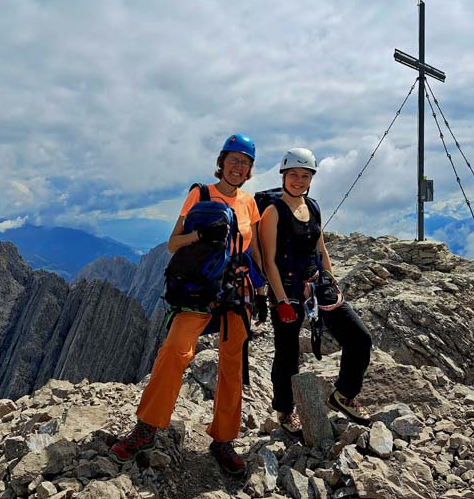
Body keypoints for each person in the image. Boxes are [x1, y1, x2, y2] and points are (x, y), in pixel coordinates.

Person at [109, 134, 262, 476]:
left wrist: (262, 288)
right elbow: (172, 244)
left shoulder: (250, 204)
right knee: (175, 350)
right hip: (200, 289)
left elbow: (253, 251)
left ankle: (223, 440)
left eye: (245, 162)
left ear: (250, 169)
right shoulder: (201, 194)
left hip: (236, 292)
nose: (238, 167)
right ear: (222, 162)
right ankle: (146, 428)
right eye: (233, 160)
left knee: (232, 366)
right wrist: (200, 236)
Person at [259, 148, 372, 432]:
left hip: (317, 284)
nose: (299, 180)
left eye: (305, 176)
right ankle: (285, 411)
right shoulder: (273, 212)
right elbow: (269, 260)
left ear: (311, 179)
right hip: (287, 290)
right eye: (294, 175)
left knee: (359, 338)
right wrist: (281, 300)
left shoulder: (314, 207)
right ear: (284, 176)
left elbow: (320, 249)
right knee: (286, 353)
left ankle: (344, 394)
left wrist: (331, 280)